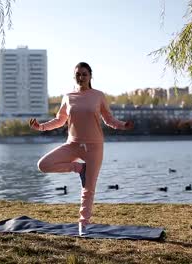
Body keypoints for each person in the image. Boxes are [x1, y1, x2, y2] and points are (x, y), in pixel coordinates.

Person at [29, 62, 134, 236]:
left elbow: (108, 118)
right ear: (74, 76)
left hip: (94, 146)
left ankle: (83, 225)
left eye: (84, 74)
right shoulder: (68, 96)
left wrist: (123, 126)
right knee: (43, 165)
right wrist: (40, 127)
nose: (81, 77)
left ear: (90, 76)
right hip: (72, 144)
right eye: (78, 74)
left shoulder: (98, 96)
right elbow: (59, 120)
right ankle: (79, 168)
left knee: (88, 188)